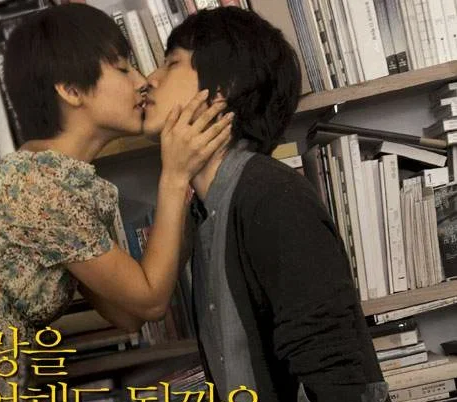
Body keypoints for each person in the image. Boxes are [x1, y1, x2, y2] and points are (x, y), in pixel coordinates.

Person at [0, 3, 231, 396]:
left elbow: (127, 315)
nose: (143, 82)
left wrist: (192, 197)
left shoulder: (52, 179)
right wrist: (174, 175)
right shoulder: (42, 185)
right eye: (123, 68)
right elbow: (150, 301)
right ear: (70, 90)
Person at [141, 7, 388, 402]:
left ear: (221, 90)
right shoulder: (205, 210)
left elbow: (334, 367)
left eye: (171, 64)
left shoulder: (270, 195)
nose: (149, 79)